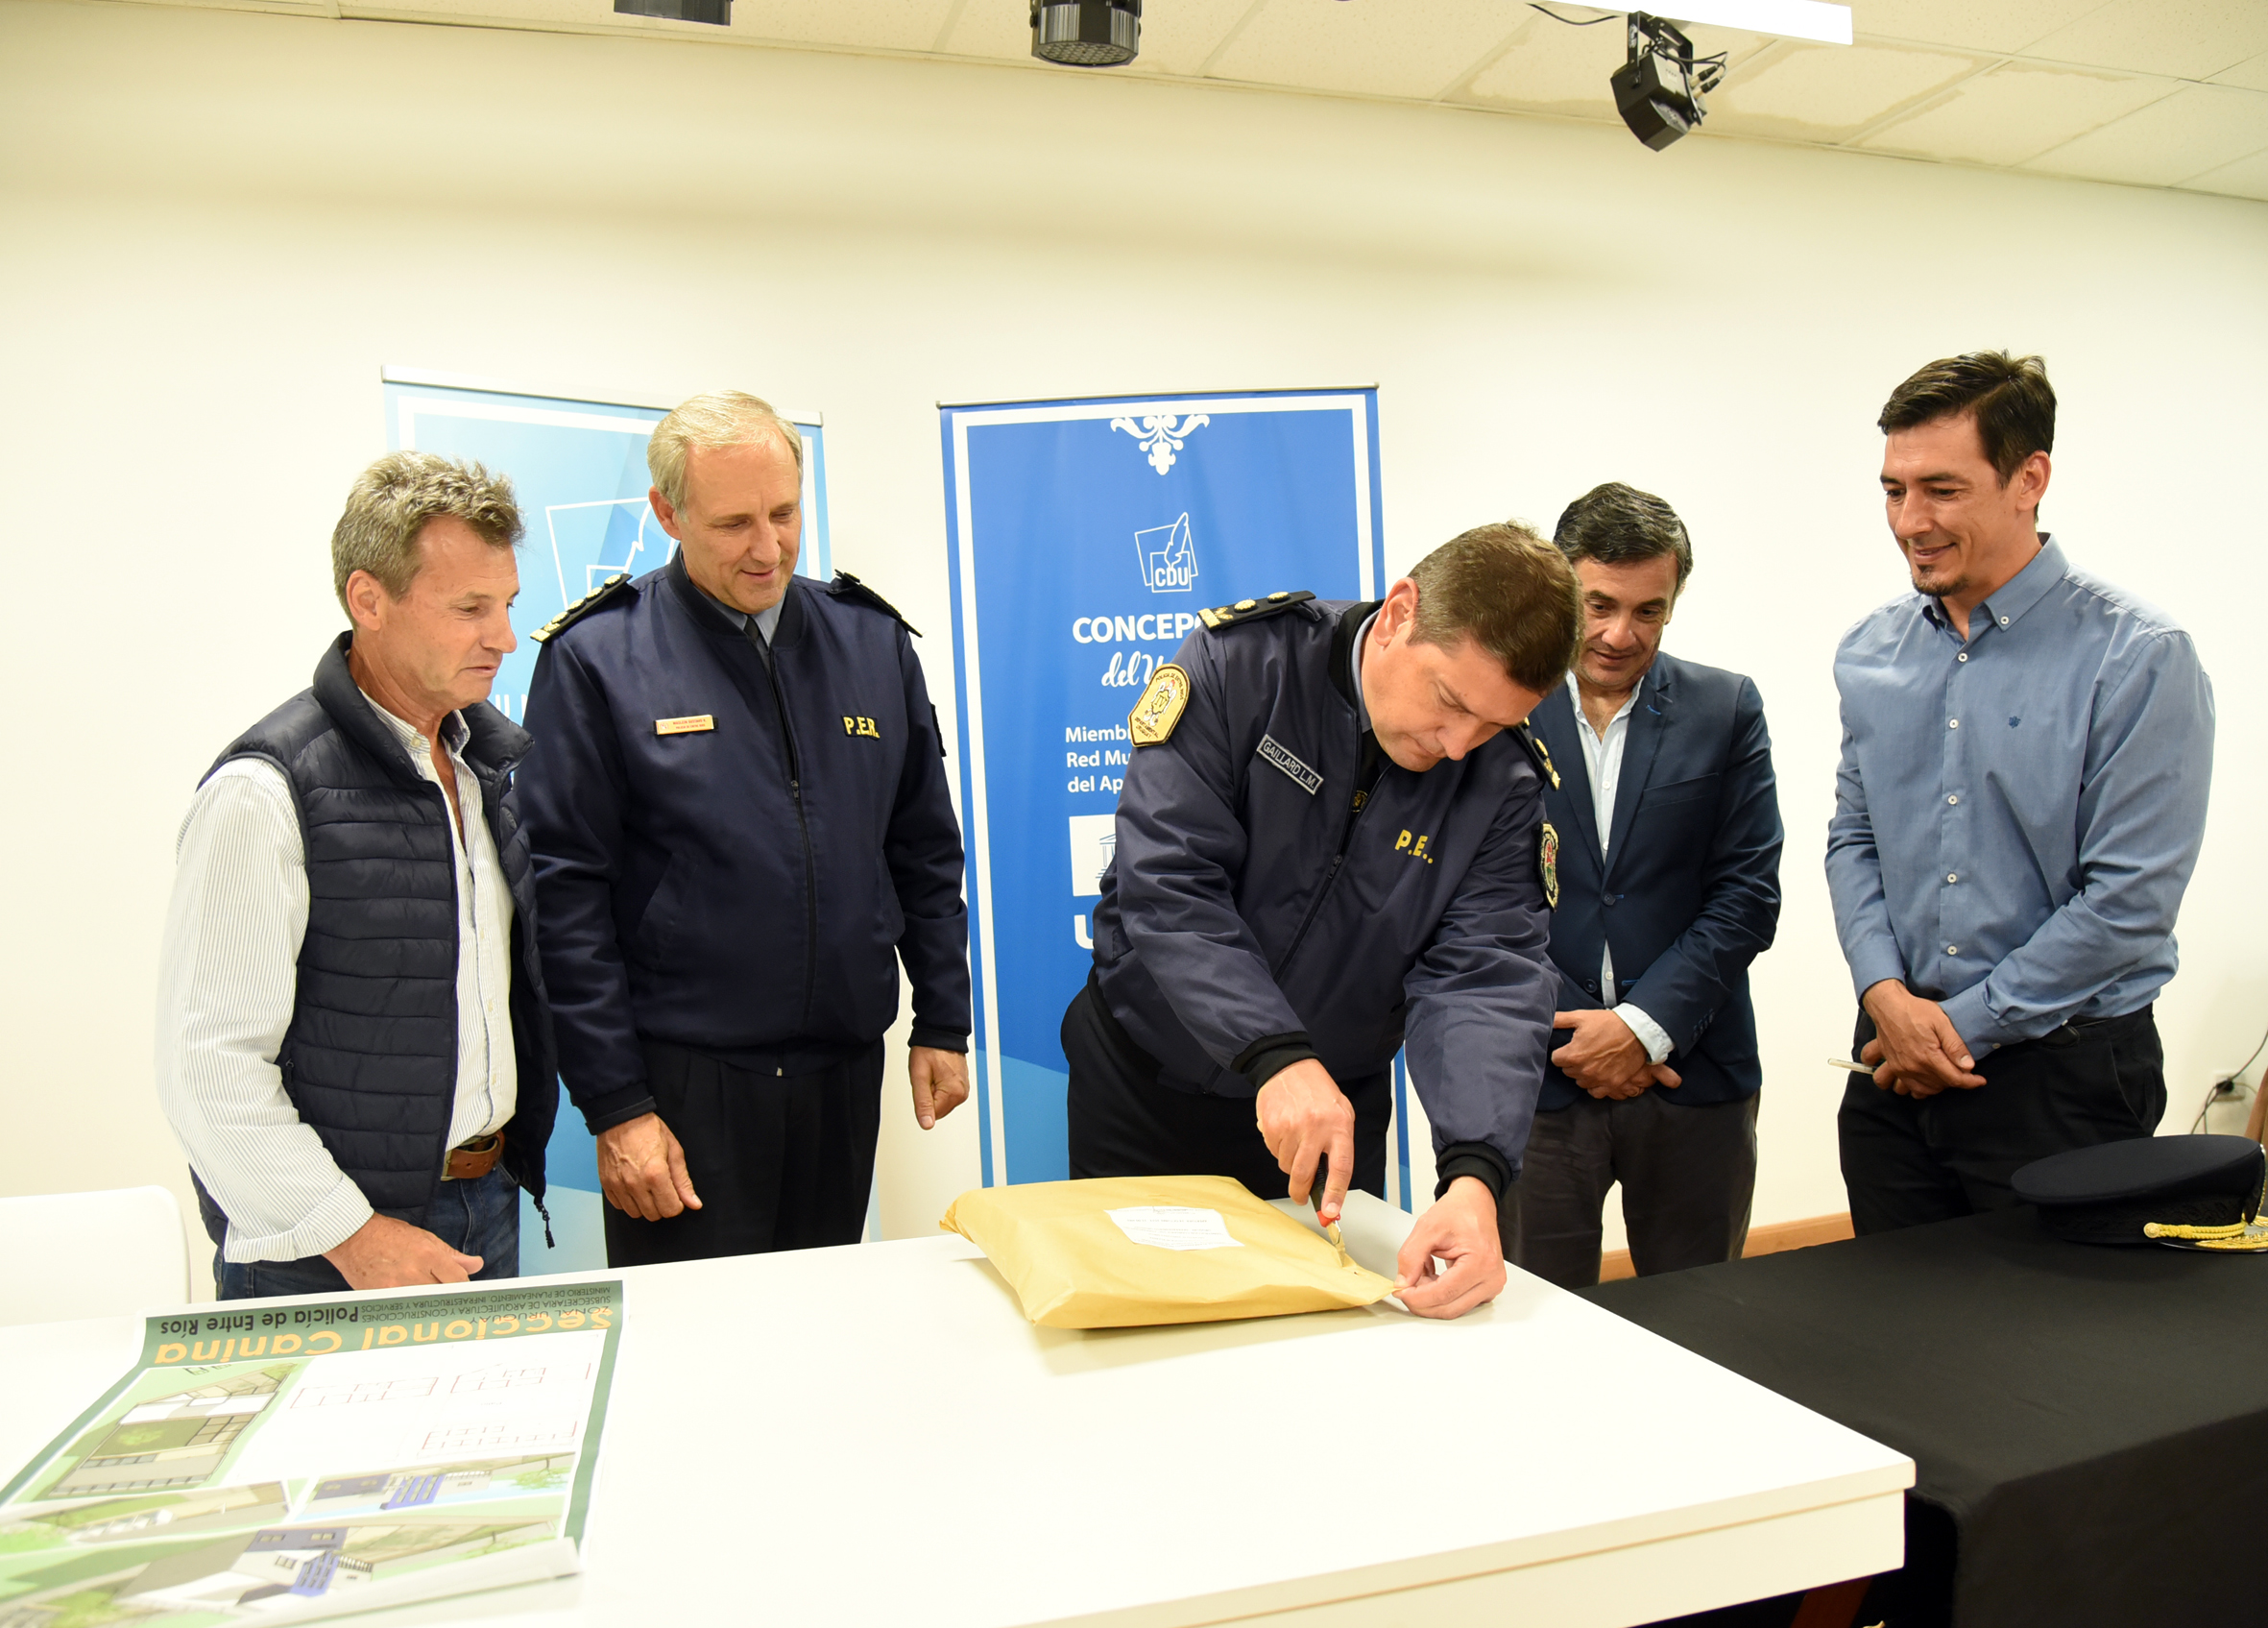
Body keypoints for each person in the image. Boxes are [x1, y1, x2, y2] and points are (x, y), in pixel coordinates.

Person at [1062, 523, 1581, 1320]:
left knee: (1319, 1351)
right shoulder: (1241, 666)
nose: (1457, 746)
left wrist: (1475, 1175)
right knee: (1137, 1331)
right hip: (1147, 1089)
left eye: (1489, 724)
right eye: (1450, 702)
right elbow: (1170, 881)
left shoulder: (1504, 778)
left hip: (1331, 1119)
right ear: (1401, 612)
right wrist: (1274, 1053)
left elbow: (1484, 976)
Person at [513, 391, 971, 1266]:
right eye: (733, 524)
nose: (768, 548)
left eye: (784, 513)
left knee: (822, 1322)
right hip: (685, 1088)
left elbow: (922, 849)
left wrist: (943, 1017)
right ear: (668, 514)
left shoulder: (872, 643)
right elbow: (563, 901)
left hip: (841, 1074)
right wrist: (617, 1104)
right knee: (697, 1340)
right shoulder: (596, 657)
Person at [1827, 352, 2214, 1233]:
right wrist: (1883, 992)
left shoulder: (2139, 657)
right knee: (1890, 1313)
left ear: (2029, 479)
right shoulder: (1869, 652)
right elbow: (1854, 838)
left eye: (1942, 490)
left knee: (2054, 1321)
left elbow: (2128, 901)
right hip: (1891, 1061)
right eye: (1894, 490)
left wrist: (1961, 1025)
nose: (1910, 521)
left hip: (2064, 1076)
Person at [157, 453, 560, 1299]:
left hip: (486, 1202)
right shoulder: (263, 792)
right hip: (329, 1246)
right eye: (470, 608)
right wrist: (353, 1234)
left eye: (508, 604)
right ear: (368, 600)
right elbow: (211, 1068)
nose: (503, 636)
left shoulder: (482, 767)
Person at [1508, 483, 1782, 1289]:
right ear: (1558, 584)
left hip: (1693, 1077)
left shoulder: (1726, 708)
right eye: (1598, 604)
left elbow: (1747, 894)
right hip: (1538, 1078)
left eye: (1648, 611)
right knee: (1534, 1324)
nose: (1618, 634)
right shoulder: (1499, 709)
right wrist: (1581, 1035)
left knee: (1702, 1325)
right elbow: (1473, 902)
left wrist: (1640, 1028)